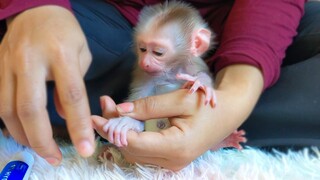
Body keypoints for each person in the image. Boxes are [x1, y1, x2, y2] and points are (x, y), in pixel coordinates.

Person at [0, 0, 319, 171]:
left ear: (197, 44)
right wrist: (32, 8)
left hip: (236, 35)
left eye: (155, 54)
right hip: (95, 21)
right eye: (145, 52)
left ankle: (200, 126)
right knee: (24, 49)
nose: (147, 62)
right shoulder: (144, 51)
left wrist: (235, 97)